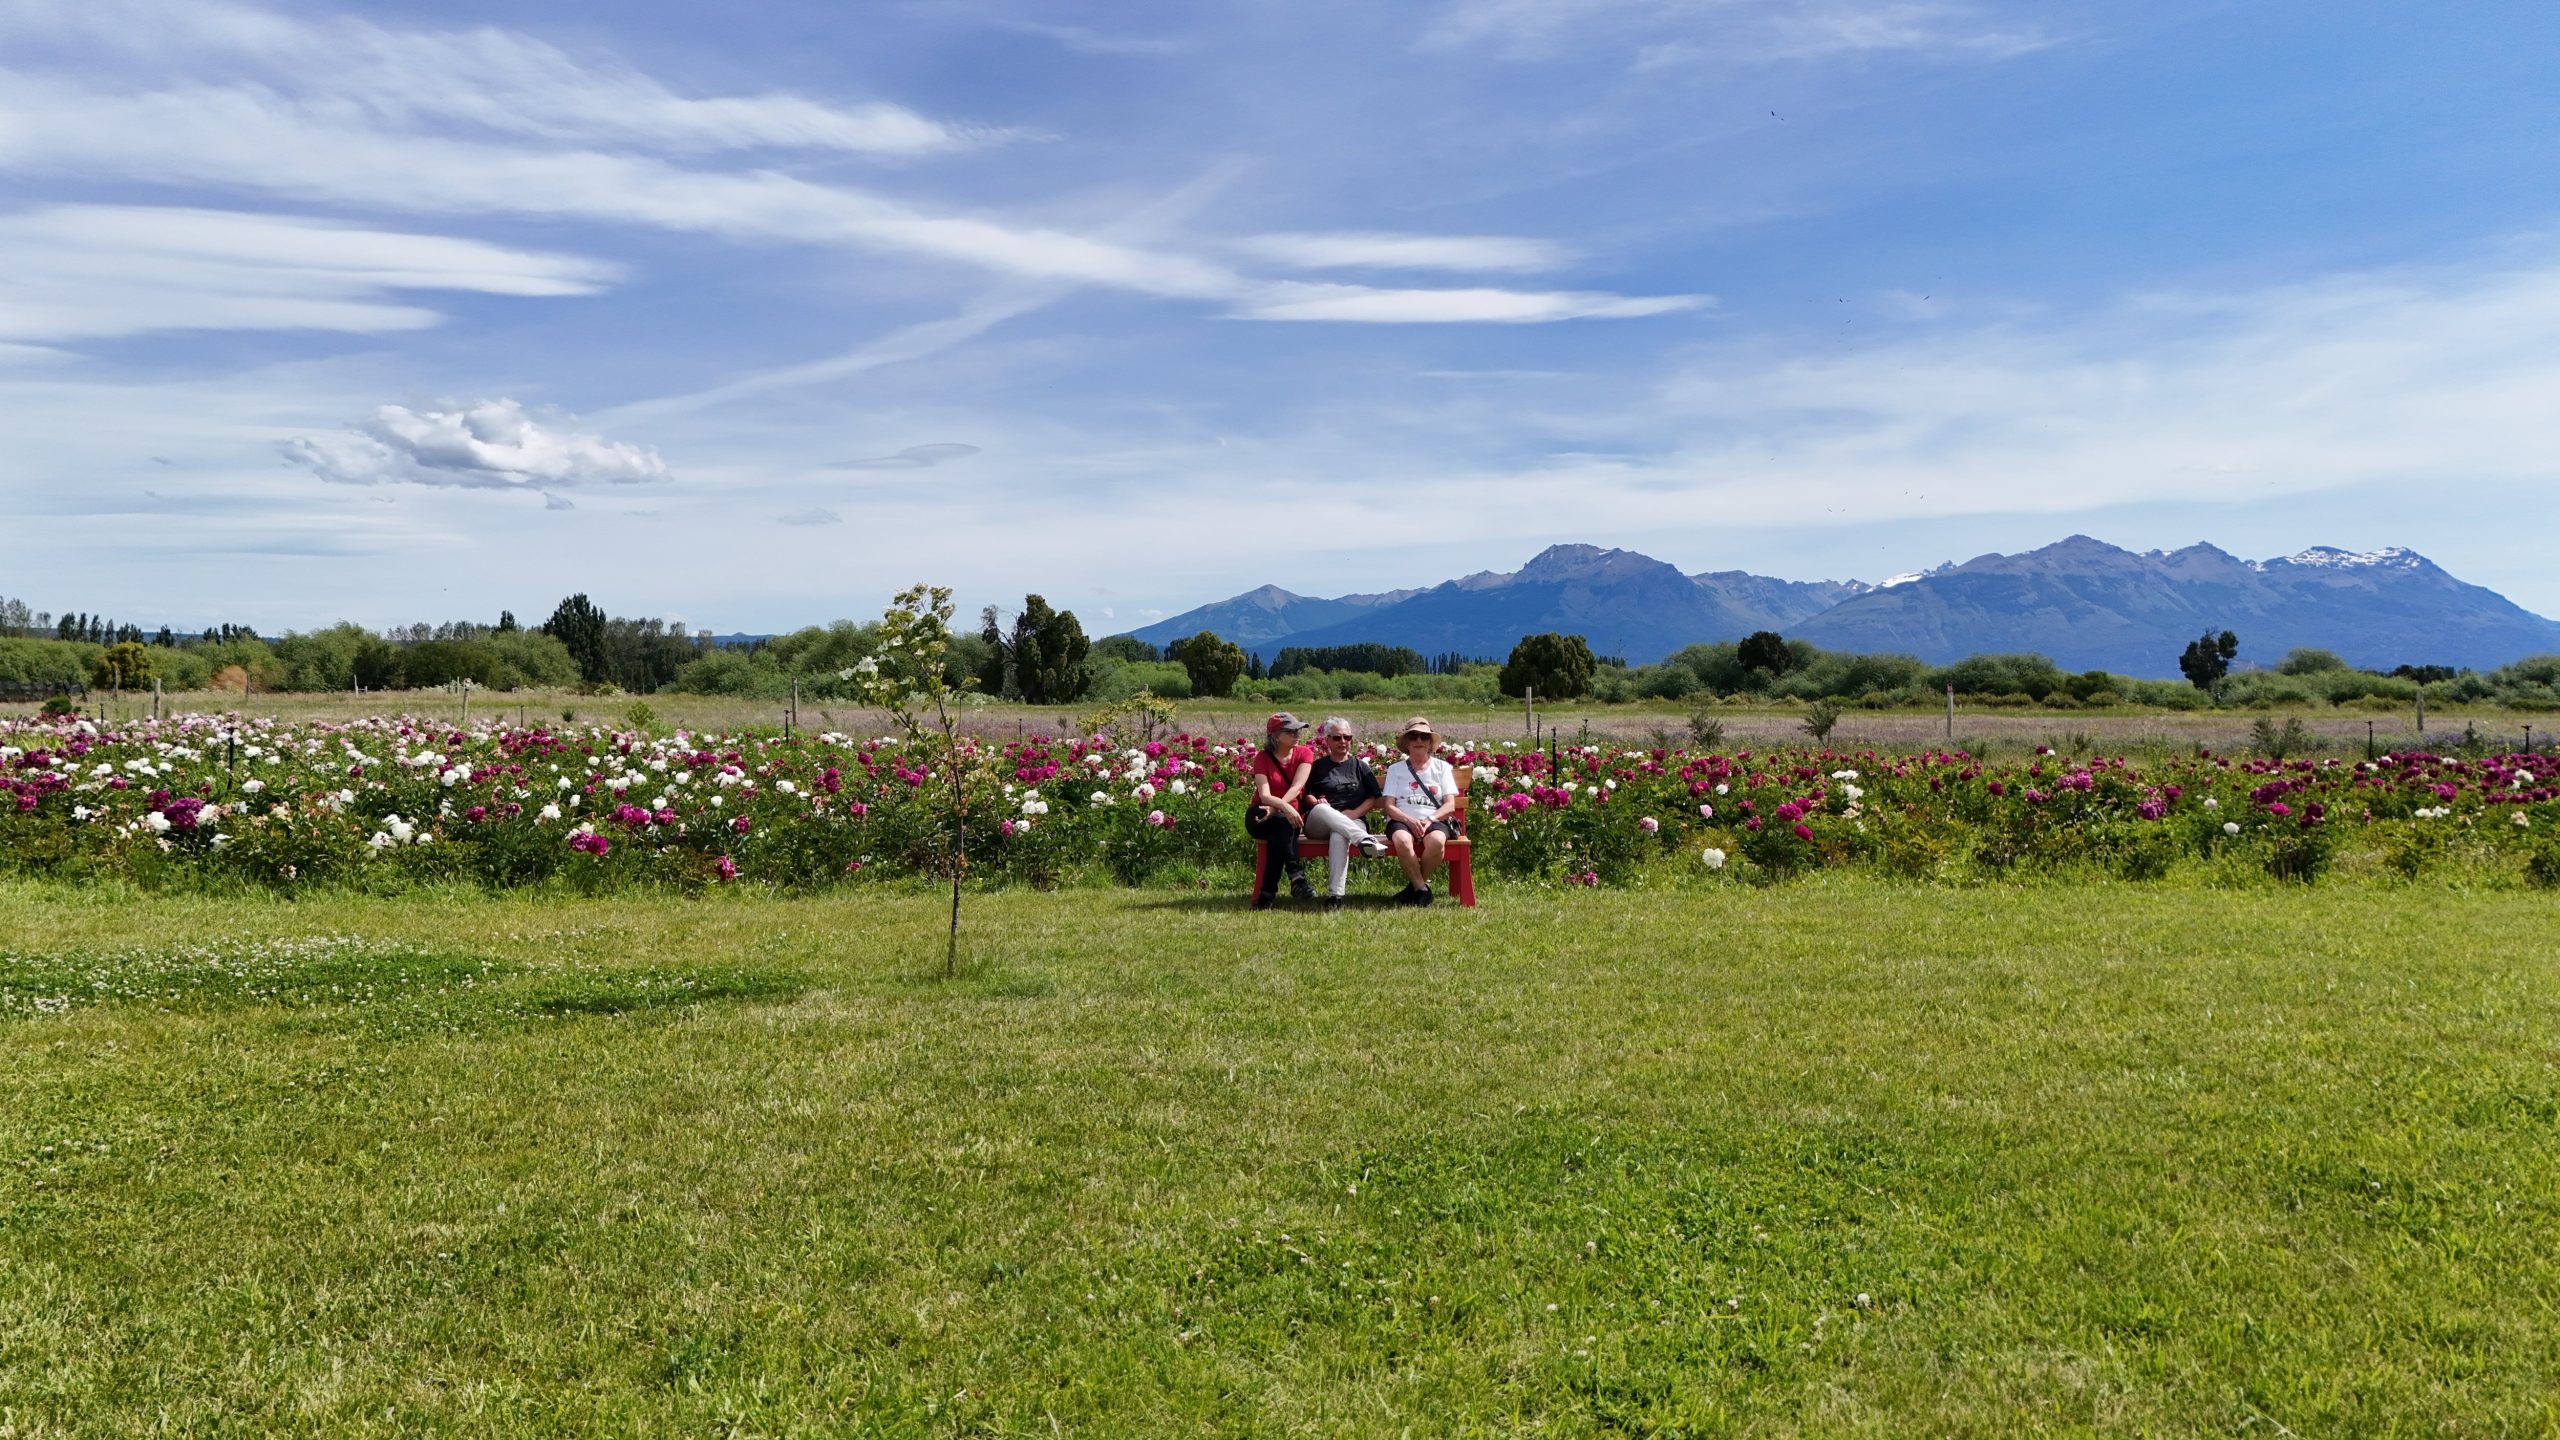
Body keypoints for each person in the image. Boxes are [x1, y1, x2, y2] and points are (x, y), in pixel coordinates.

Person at [1300, 716, 1389, 911]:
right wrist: (1316, 802)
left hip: (1353, 820)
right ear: (1327, 740)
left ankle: (1335, 896)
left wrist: (1356, 813)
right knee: (1324, 809)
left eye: (1347, 737)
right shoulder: (1318, 767)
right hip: (1320, 821)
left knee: (1340, 834)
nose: (1343, 742)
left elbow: (1373, 798)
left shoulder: (1360, 767)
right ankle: (1365, 840)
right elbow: (1306, 795)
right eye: (1338, 738)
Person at [1380, 716, 1460, 906]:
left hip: (1434, 819)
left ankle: (1413, 889)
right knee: (1402, 840)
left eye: (1423, 737)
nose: (1418, 741)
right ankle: (1423, 891)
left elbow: (1450, 805)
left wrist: (1430, 819)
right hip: (1402, 819)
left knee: (1437, 842)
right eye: (1413, 736)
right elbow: (1389, 805)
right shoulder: (1395, 769)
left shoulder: (1442, 768)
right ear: (1406, 742)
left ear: (1430, 743)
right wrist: (1409, 821)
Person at [1246, 711, 1315, 908]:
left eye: (1298, 730)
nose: (1297, 734)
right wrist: (1283, 807)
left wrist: (1280, 809)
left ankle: (1266, 897)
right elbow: (1265, 795)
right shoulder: (1262, 757)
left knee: (1279, 835)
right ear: (1275, 736)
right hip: (1261, 814)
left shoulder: (1305, 753)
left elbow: (1297, 787)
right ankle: (1296, 877)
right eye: (1290, 731)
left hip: (1287, 819)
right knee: (1280, 827)